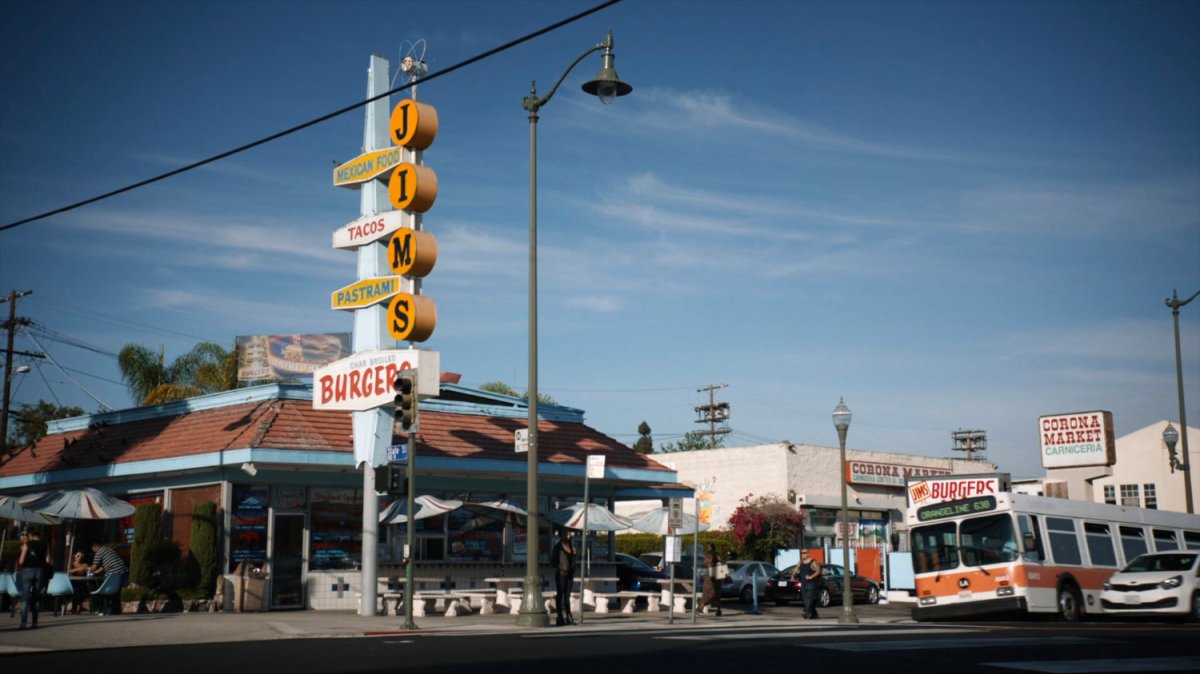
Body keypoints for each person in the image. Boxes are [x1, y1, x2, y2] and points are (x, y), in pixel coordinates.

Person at [17, 529, 51, 630]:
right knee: (36, 598)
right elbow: (48, 560)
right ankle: (34, 622)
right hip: (39, 571)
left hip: (27, 570)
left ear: (31, 536)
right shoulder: (46, 544)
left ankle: (23, 622)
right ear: (39, 536)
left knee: (25, 598)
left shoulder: (27, 544)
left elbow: (21, 561)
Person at [90, 539, 129, 615]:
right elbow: (103, 567)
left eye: (93, 550)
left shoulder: (99, 552)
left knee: (106, 591)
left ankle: (105, 610)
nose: (94, 552)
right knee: (116, 592)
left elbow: (94, 566)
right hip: (122, 572)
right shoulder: (108, 549)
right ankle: (116, 610)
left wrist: (87, 569)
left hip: (112, 573)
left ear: (95, 547)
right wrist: (94, 573)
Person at [550, 529, 575, 626]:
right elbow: (553, 561)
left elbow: (573, 561)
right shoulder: (558, 547)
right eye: (567, 534)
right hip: (561, 574)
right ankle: (560, 616)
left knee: (567, 596)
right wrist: (560, 567)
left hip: (569, 574)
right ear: (563, 536)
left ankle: (568, 615)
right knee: (560, 595)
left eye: (569, 534)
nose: (569, 536)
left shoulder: (571, 547)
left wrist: (574, 555)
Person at [794, 551, 821, 619]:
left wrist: (811, 576)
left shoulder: (813, 562)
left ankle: (806, 613)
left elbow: (818, 571)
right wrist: (793, 575)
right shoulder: (800, 562)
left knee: (809, 599)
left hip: (811, 584)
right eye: (801, 553)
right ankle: (814, 614)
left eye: (804, 553)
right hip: (803, 584)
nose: (802, 554)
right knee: (805, 599)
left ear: (808, 554)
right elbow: (795, 570)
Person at [699, 543, 723, 616]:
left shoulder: (708, 555)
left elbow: (704, 564)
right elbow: (722, 562)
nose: (708, 548)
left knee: (708, 593)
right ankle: (717, 610)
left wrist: (709, 565)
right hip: (715, 575)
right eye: (708, 547)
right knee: (716, 593)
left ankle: (702, 607)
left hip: (710, 575)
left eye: (709, 547)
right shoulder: (716, 554)